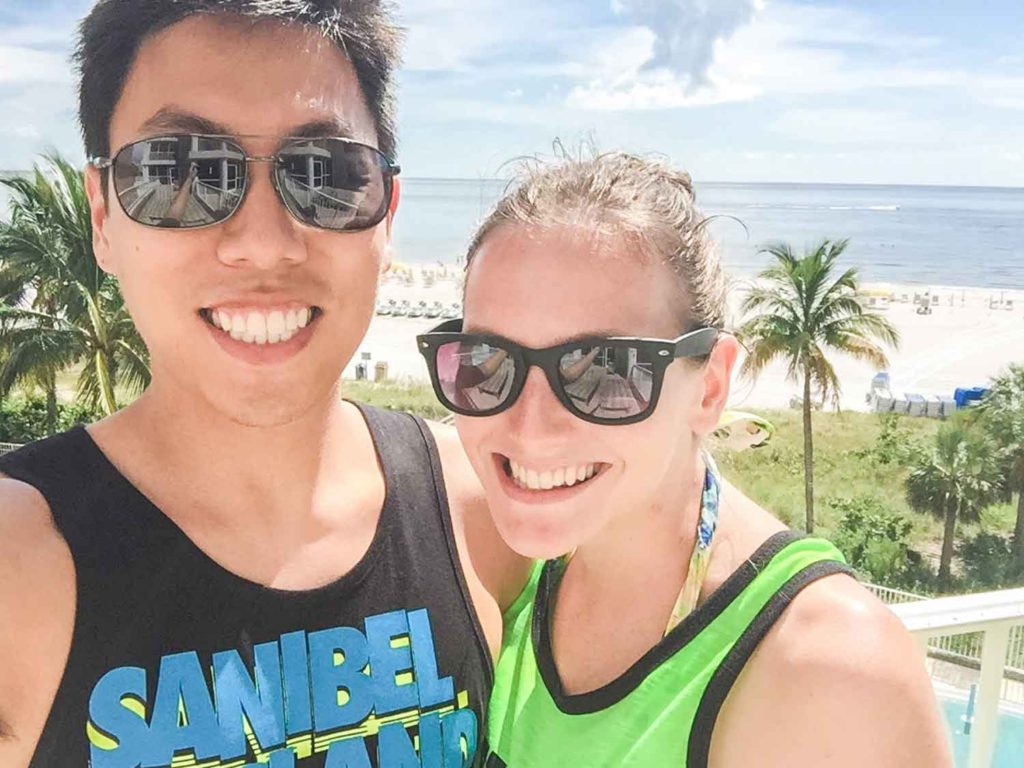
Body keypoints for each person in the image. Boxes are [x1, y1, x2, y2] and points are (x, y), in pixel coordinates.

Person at [0, 2, 527, 766]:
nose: (262, 242)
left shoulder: (478, 511)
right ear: (103, 216)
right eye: (178, 172)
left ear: (386, 215)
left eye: (325, 175)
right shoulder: (22, 565)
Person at [416, 152, 953, 767]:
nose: (530, 430)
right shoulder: (508, 567)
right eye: (486, 363)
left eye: (605, 371)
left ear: (710, 388)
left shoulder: (826, 668)